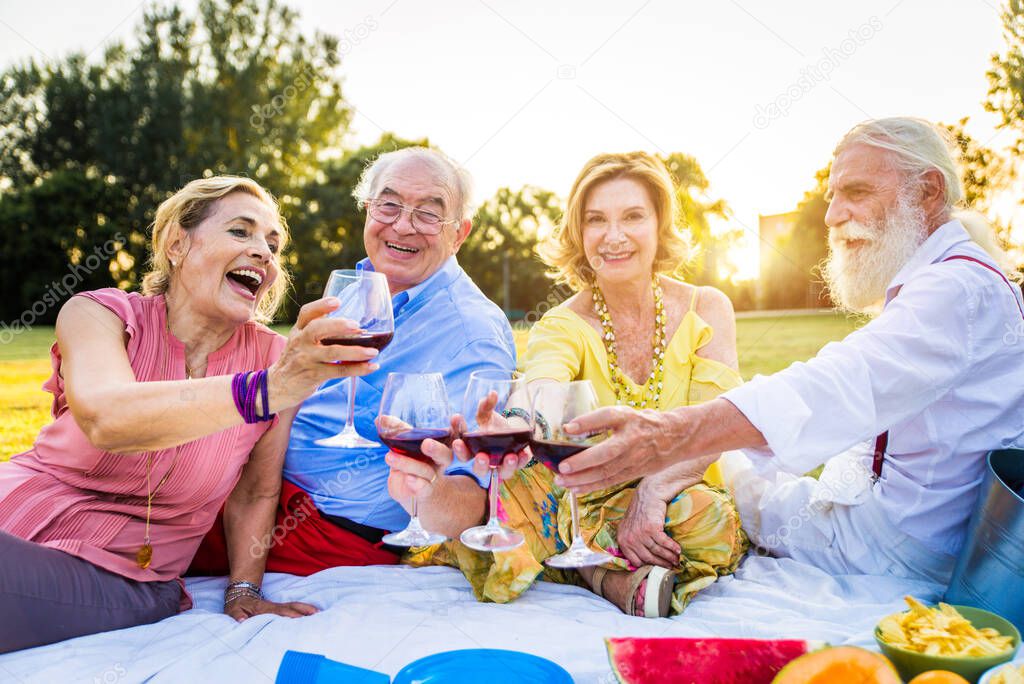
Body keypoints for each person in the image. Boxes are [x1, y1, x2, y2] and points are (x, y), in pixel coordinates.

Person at [554, 118, 1024, 584]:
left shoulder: (956, 290)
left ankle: (617, 554)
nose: (832, 215)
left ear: (927, 192)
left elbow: (837, 384)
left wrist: (671, 436)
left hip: (894, 550)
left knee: (730, 477)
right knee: (727, 466)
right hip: (895, 526)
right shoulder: (955, 278)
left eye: (856, 192)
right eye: (832, 196)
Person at [0, 177, 379, 654]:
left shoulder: (273, 359)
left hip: (122, 573)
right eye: (241, 232)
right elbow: (106, 417)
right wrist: (267, 388)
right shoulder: (100, 314)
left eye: (272, 244)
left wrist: (244, 589)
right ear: (177, 244)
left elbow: (256, 490)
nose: (263, 252)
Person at [404, 152, 748, 618]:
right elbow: (541, 390)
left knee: (707, 519)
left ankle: (580, 561)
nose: (614, 236)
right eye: (596, 220)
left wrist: (652, 493)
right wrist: (512, 424)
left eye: (632, 216)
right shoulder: (562, 322)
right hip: (581, 488)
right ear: (579, 233)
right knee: (511, 500)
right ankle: (600, 572)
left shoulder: (707, 307)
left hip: (675, 487)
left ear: (660, 224)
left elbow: (717, 426)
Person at [189, 147, 517, 576]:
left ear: (460, 234)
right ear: (367, 209)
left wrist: (425, 485)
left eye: (428, 213)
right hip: (246, 491)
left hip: (319, 534)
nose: (402, 224)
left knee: (133, 552)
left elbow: (466, 505)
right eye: (389, 204)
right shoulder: (357, 291)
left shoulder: (474, 333)